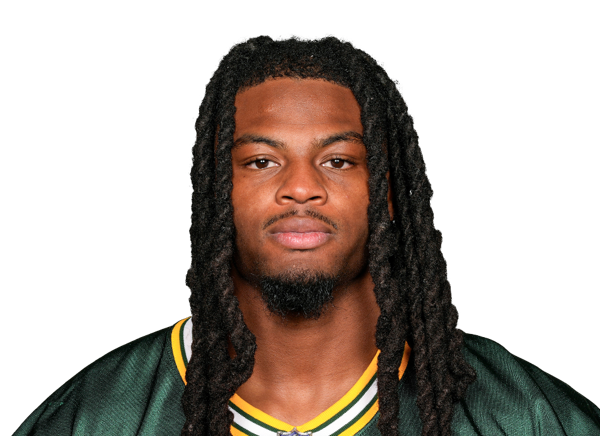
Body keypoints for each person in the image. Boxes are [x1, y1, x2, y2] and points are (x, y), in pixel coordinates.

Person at [15, 35, 599, 436]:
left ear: (390, 191)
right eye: (261, 161)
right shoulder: (98, 415)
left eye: (339, 161)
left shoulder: (525, 415)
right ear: (215, 191)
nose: (301, 188)